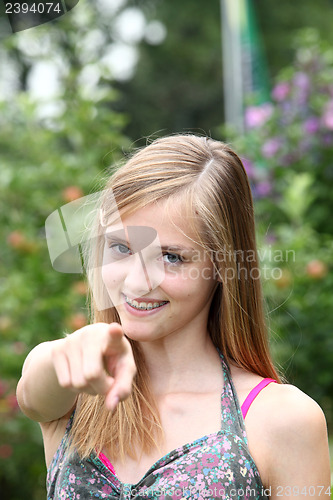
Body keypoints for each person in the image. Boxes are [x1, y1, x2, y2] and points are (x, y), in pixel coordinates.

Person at [17, 135, 331, 499]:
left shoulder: (282, 420)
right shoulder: (71, 383)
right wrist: (73, 351)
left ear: (222, 267)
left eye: (171, 257)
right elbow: (35, 392)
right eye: (121, 247)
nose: (136, 281)